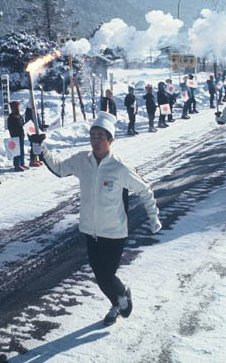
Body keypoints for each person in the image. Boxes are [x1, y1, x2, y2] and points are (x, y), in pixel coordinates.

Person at [33, 111, 161, 326]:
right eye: (93, 136)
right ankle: (116, 302)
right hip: (90, 230)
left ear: (110, 139)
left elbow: (145, 190)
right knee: (100, 275)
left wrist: (153, 216)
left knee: (106, 275)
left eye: (101, 137)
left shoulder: (120, 167)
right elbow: (60, 169)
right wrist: (42, 151)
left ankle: (123, 296)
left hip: (114, 231)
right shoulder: (83, 161)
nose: (95, 141)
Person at [8, 101, 29, 172]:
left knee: (22, 150)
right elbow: (10, 128)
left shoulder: (20, 116)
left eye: (19, 107)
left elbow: (23, 124)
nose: (18, 108)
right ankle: (16, 165)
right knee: (16, 151)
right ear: (13, 108)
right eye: (17, 107)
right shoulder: (11, 117)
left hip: (21, 135)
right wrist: (16, 132)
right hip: (15, 136)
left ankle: (22, 163)